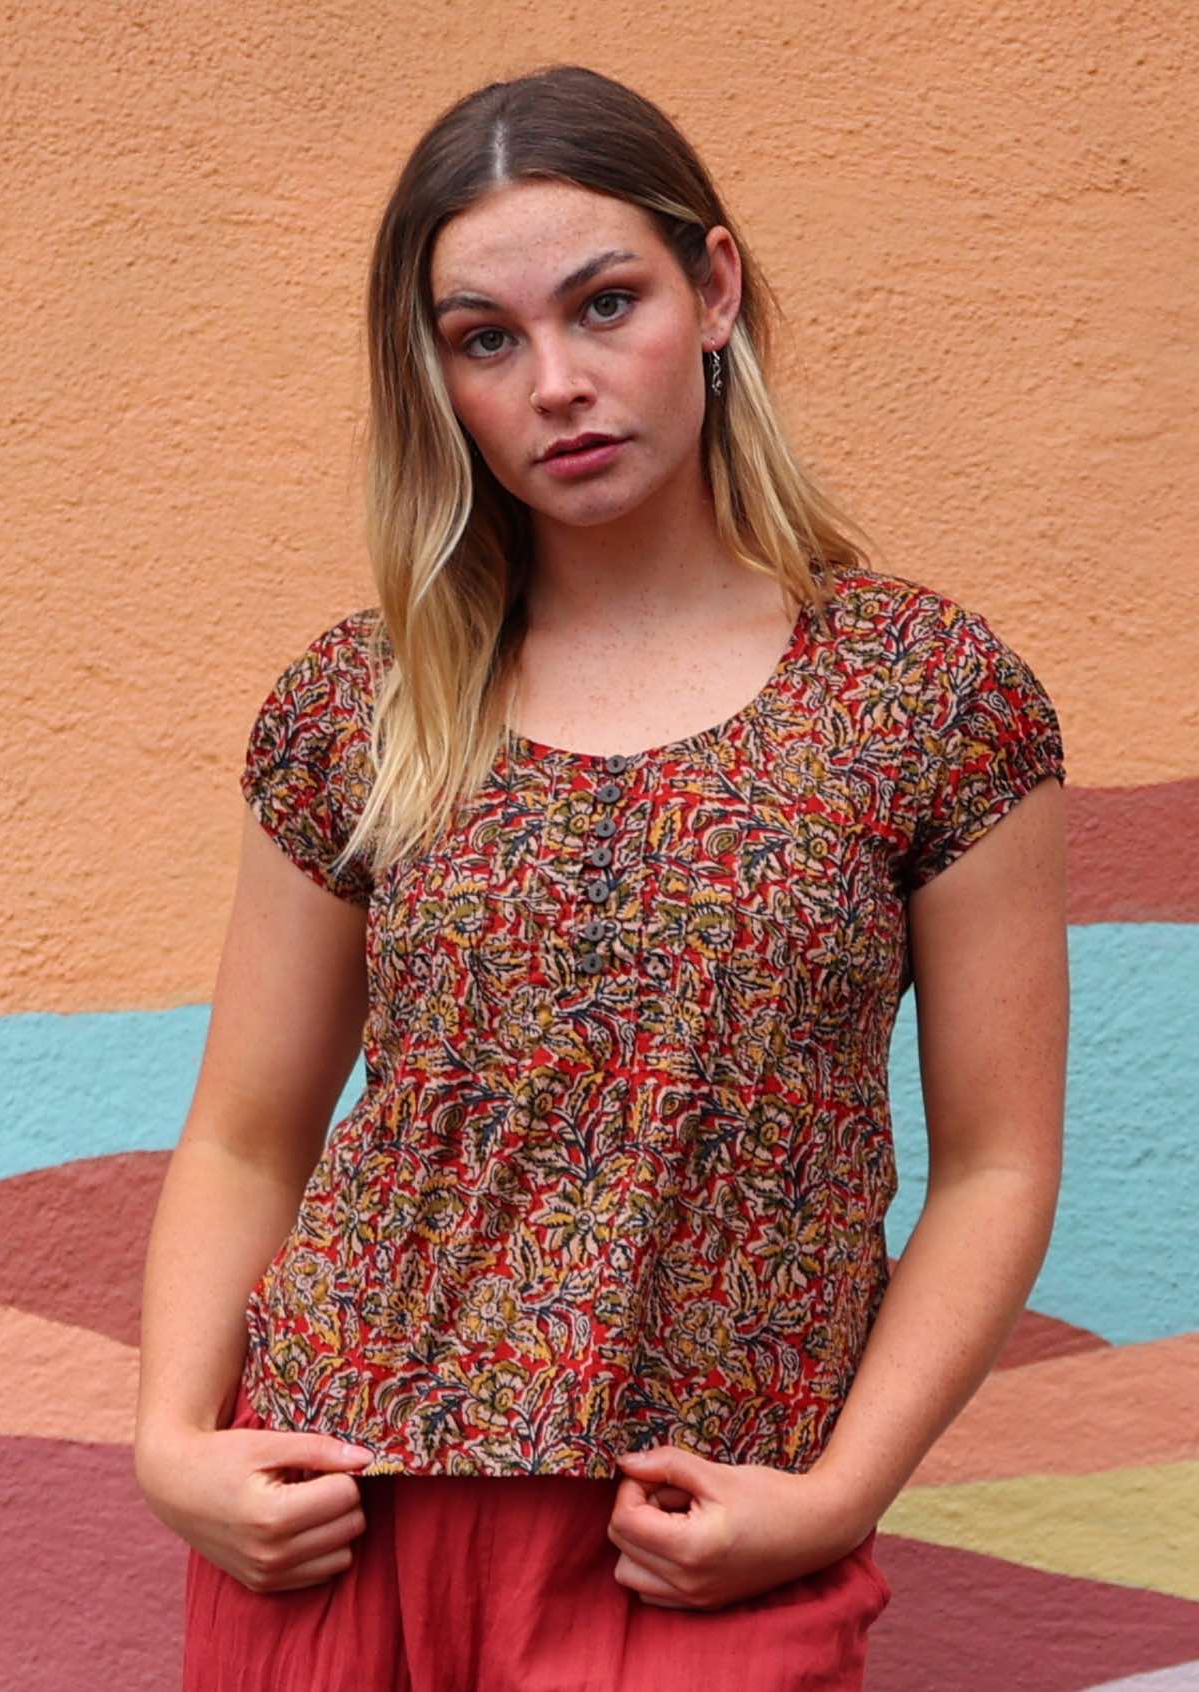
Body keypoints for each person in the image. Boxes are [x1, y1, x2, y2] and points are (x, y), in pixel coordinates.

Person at [134, 63, 1069, 1692]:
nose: (556, 380)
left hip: (702, 1535)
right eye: (485, 338)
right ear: (437, 379)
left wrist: (843, 1496)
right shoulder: (364, 701)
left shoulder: (925, 693)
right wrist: (167, 1444)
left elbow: (996, 1165)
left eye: (604, 303)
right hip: (337, 1507)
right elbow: (244, 1132)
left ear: (712, 291)